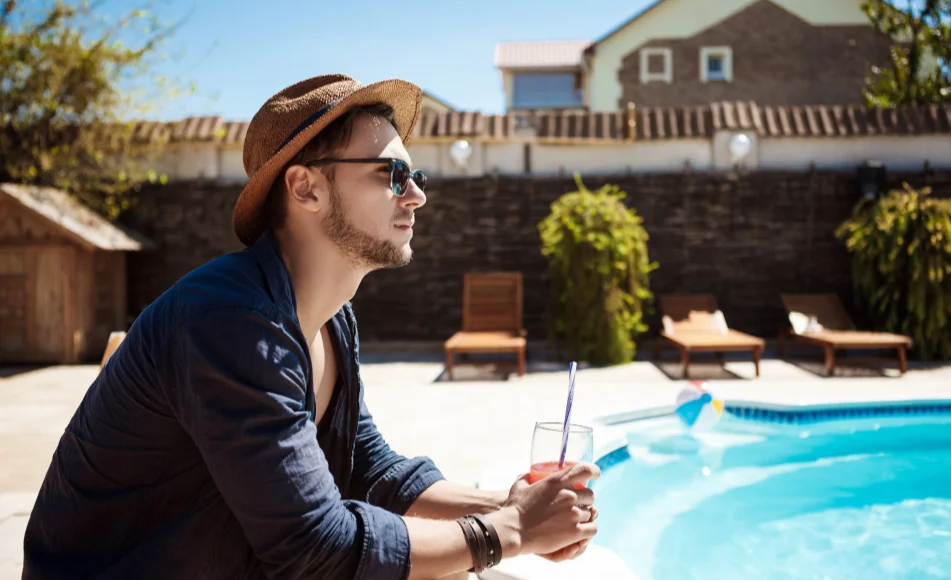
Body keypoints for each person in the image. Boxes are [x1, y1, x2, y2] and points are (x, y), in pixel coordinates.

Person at [22, 74, 600, 580]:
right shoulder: (231, 324)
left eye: (414, 173)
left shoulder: (328, 319)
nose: (418, 195)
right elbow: (314, 546)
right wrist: (510, 533)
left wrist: (514, 502)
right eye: (393, 173)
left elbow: (372, 470)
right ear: (306, 187)